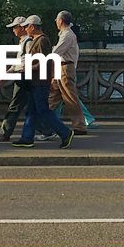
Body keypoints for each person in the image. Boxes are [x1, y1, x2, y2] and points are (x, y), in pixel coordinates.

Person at [12, 15, 75, 149]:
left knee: (43, 111)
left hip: (39, 82)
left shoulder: (42, 41)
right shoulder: (37, 40)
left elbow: (45, 61)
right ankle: (27, 138)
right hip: (36, 82)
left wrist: (28, 67)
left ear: (32, 27)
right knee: (31, 111)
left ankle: (65, 133)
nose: (24, 29)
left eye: (26, 26)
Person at [0, 16, 31, 142]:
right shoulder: (24, 42)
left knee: (15, 106)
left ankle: (4, 134)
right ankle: (48, 131)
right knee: (34, 107)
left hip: (24, 78)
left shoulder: (28, 42)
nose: (13, 30)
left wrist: (9, 72)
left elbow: (26, 62)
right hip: (25, 77)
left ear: (21, 28)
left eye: (14, 27)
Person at [48, 10, 88, 135]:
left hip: (65, 68)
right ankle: (46, 124)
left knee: (70, 98)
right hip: (62, 67)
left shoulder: (67, 35)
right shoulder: (66, 34)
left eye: (56, 20)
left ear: (60, 21)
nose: (55, 22)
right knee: (52, 98)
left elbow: (56, 52)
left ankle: (80, 126)